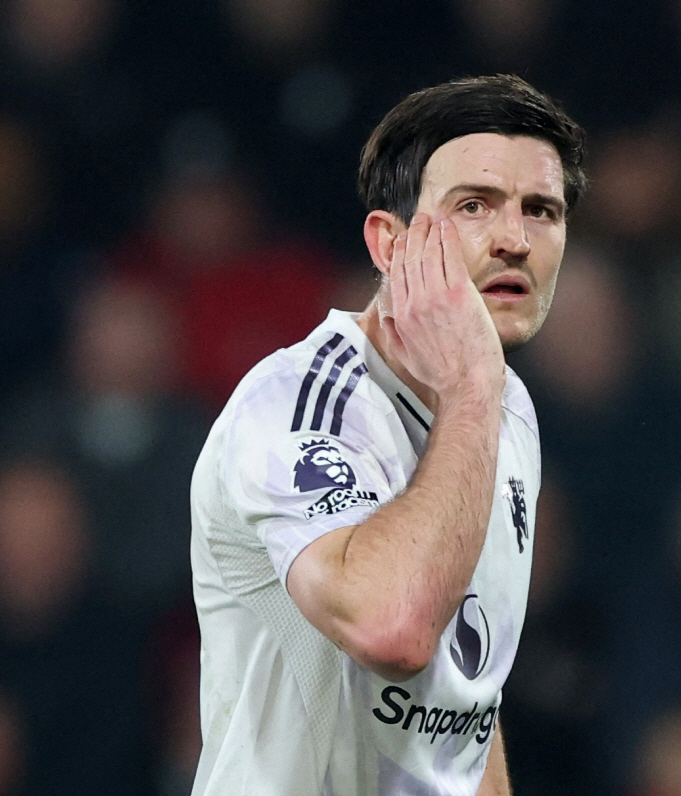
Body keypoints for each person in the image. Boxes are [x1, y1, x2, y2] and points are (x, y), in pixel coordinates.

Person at [188, 74, 586, 795]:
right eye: (474, 206)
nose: (515, 240)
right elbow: (394, 631)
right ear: (388, 242)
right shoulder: (297, 409)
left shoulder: (504, 406)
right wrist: (470, 388)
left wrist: (476, 390)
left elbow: (466, 703)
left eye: (542, 211)